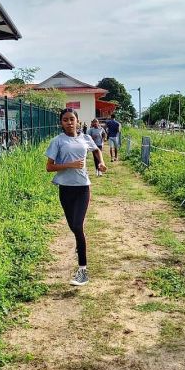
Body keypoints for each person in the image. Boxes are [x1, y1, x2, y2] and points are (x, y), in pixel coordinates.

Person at [46, 108, 107, 286]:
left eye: (72, 119)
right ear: (61, 123)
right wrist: (70, 165)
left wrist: (101, 163)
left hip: (82, 188)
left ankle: (83, 271)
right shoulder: (57, 141)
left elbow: (96, 151)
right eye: (65, 120)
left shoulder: (86, 138)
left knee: (78, 226)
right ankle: (80, 246)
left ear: (77, 121)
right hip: (65, 189)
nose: (69, 122)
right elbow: (49, 167)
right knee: (73, 226)